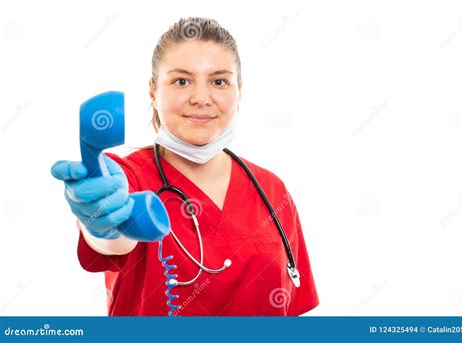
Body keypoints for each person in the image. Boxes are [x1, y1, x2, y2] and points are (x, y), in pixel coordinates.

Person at [51, 17, 319, 316]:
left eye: (219, 81)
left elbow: (294, 310)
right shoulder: (124, 178)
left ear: (239, 90)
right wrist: (102, 218)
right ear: (153, 92)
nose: (201, 99)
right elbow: (114, 240)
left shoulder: (271, 189)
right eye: (181, 81)